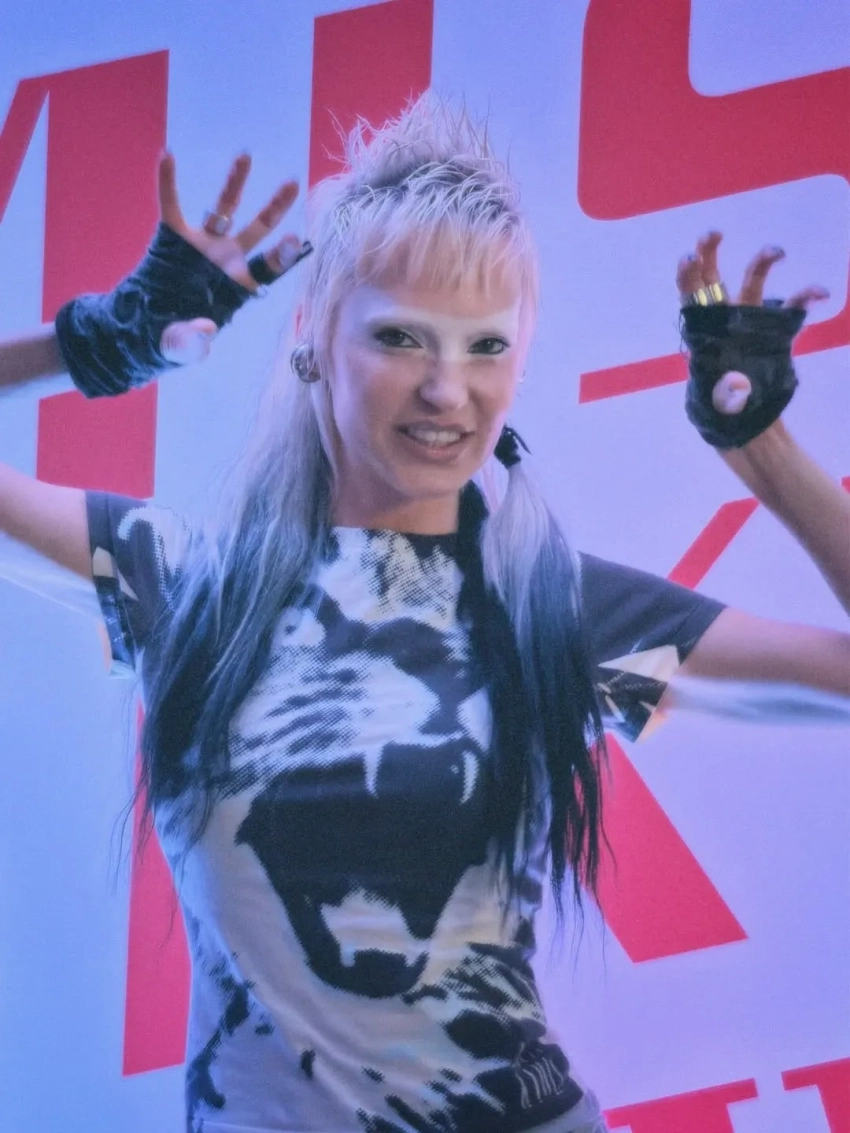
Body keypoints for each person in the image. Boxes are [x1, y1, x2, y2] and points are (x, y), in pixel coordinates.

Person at [0, 98, 847, 1133]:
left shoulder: (552, 607)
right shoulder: (186, 581)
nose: (448, 390)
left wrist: (764, 451)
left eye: (485, 346)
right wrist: (94, 347)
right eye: (401, 336)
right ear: (314, 335)